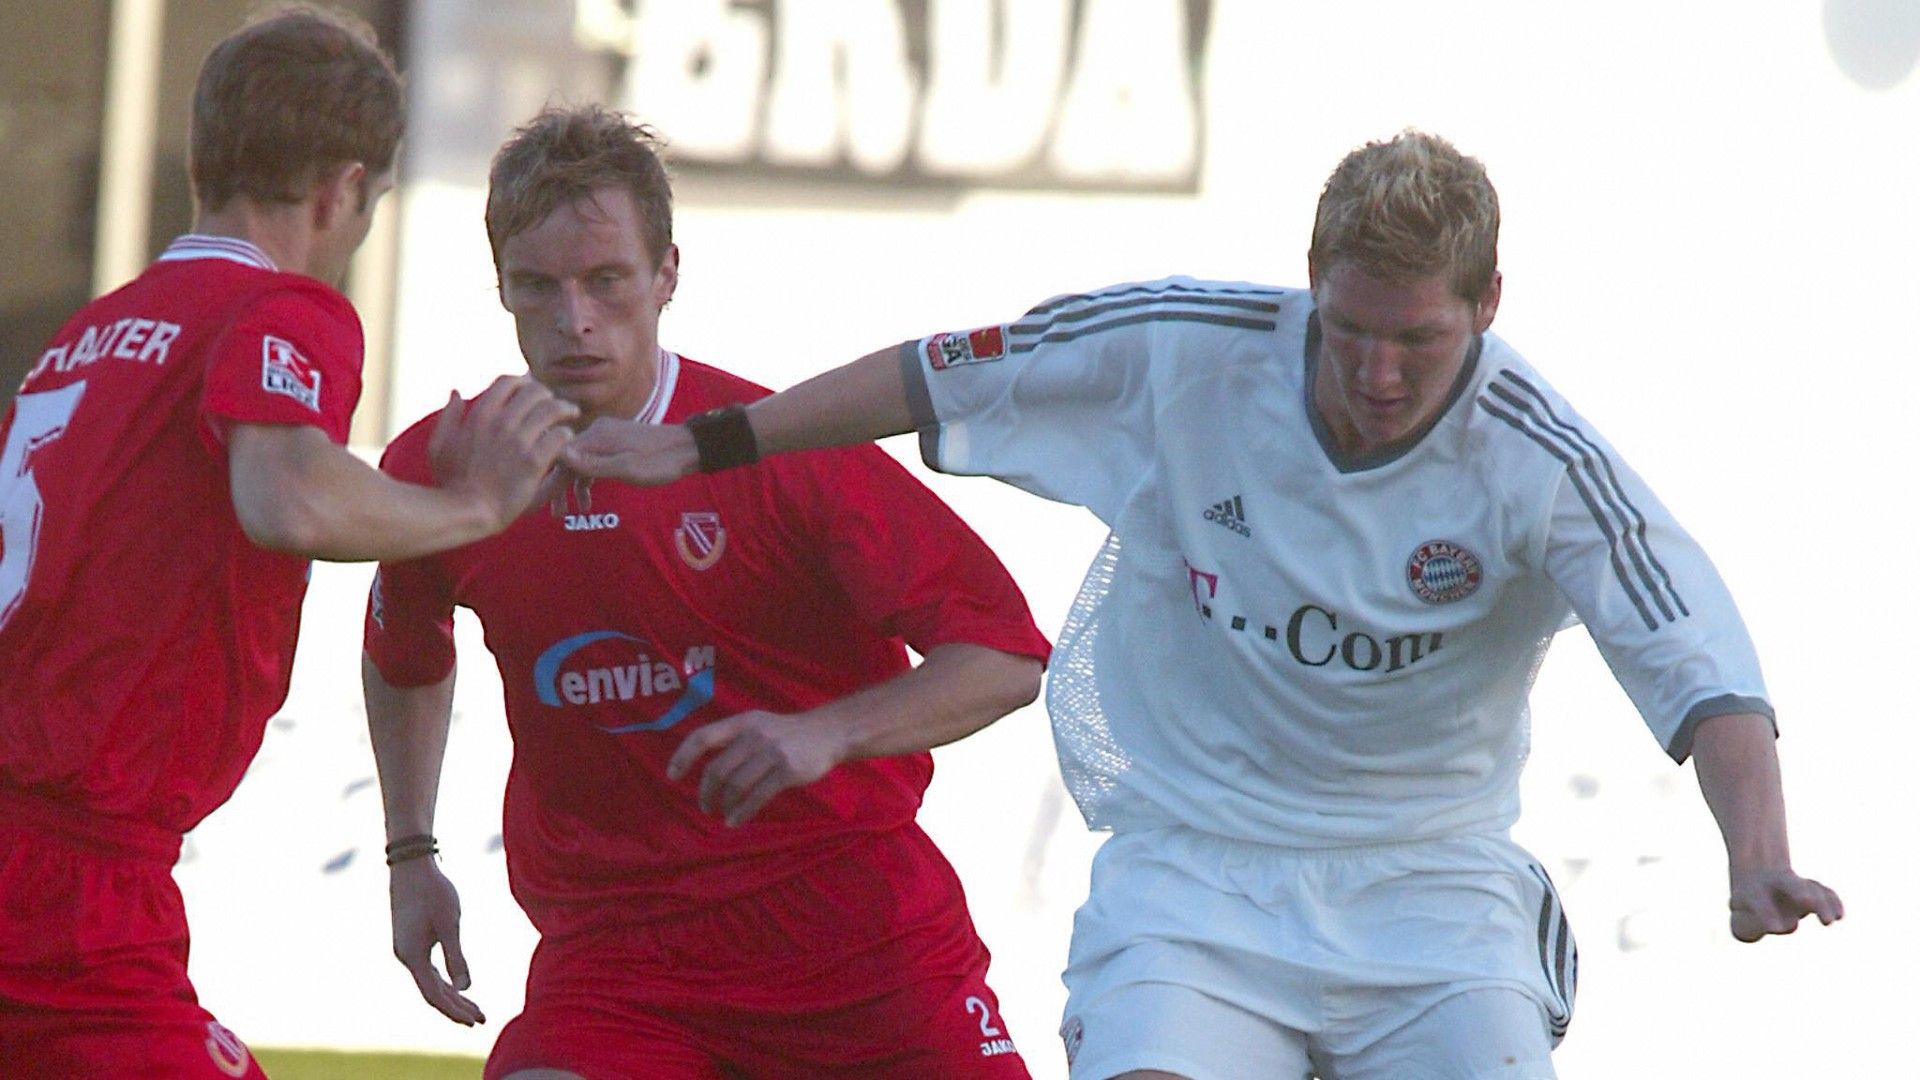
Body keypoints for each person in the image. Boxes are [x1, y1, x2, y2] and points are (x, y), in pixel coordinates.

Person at [559, 130, 1846, 1080]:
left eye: (1420, 341)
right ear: (1312, 279)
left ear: (1488, 307)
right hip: (1196, 871)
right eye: (1351, 330)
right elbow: (938, 375)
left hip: (1432, 888)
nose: (1378, 374)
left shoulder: (1541, 457)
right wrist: (709, 444)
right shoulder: (1184, 347)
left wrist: (1757, 856)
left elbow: (1699, 658)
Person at [361, 104, 1051, 1080]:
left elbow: (1007, 655)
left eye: (606, 280)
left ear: (667, 275)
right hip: (617, 965)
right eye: (538, 286)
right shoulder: (449, 465)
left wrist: (824, 733)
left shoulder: (777, 447)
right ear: (501, 285)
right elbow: (405, 652)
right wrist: (411, 854)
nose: (574, 320)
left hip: (855, 943)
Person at [0, 9, 576, 1078]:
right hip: (68, 874)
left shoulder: (88, 337)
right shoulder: (283, 308)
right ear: (342, 189)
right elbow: (288, 496)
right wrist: (478, 507)